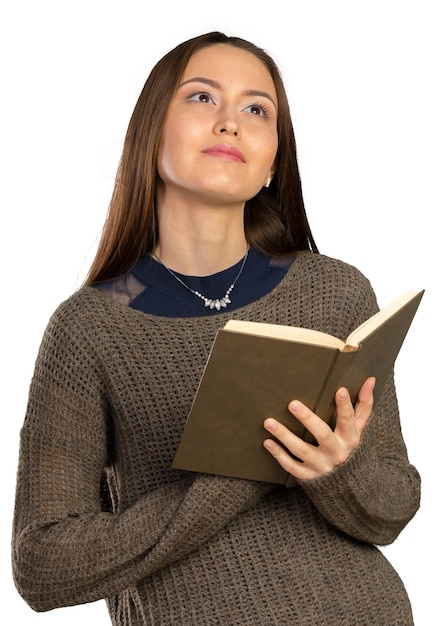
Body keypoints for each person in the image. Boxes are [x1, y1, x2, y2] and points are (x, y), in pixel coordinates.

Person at [12, 31, 420, 625]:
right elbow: (43, 563)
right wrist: (243, 472)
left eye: (257, 110)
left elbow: (393, 506)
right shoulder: (88, 330)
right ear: (151, 130)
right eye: (202, 98)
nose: (230, 123)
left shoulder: (335, 292)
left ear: (273, 161)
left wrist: (340, 471)